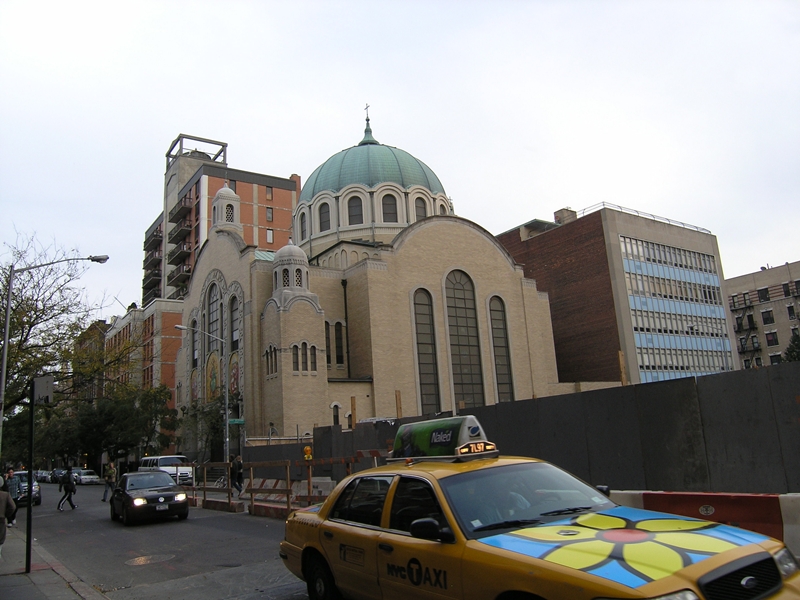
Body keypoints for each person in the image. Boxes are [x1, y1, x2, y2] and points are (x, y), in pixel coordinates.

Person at [0, 486, 15, 558]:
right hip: (1, 519)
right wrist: (6, 514)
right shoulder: (5, 495)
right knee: (0, 539)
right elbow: (12, 507)